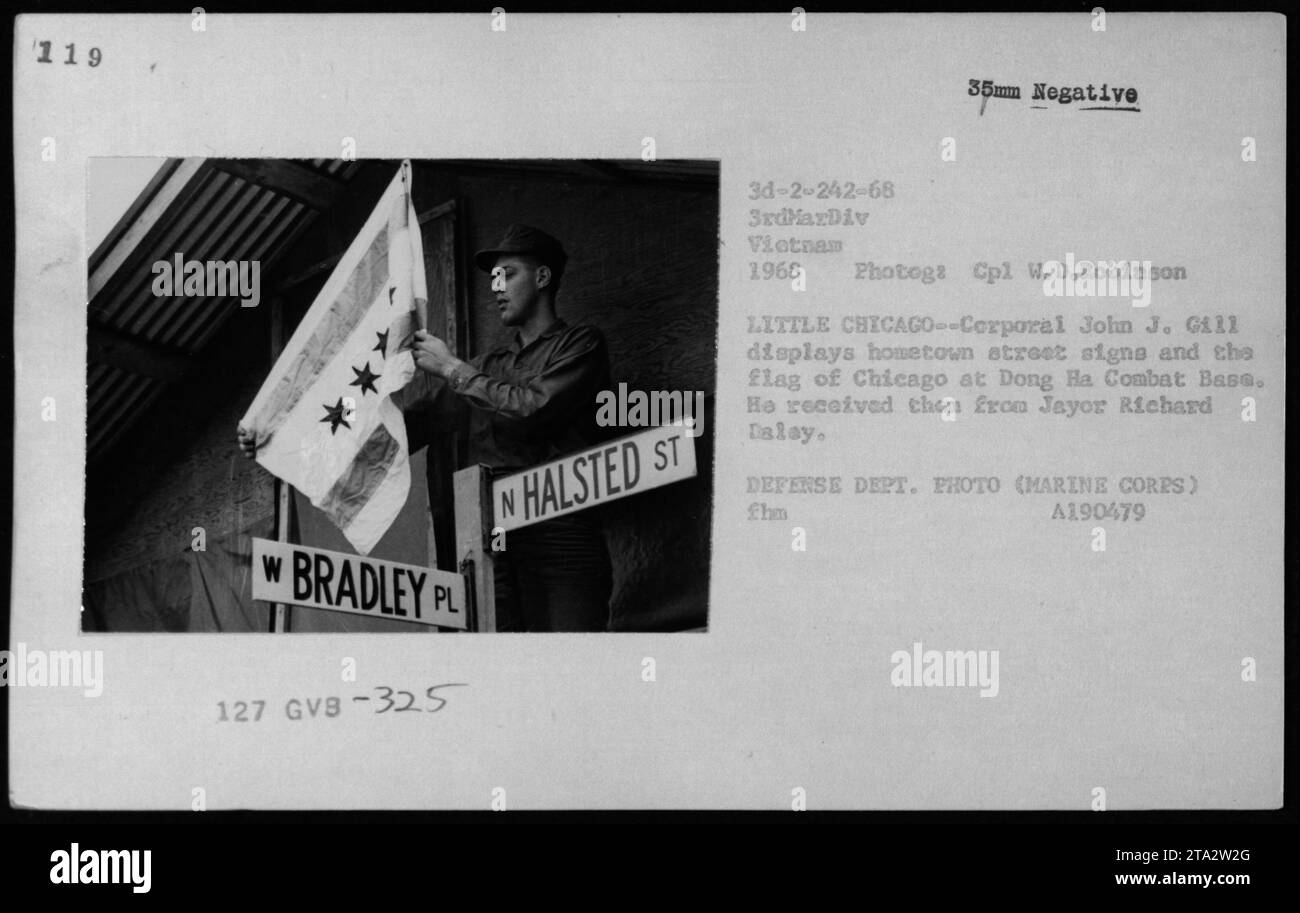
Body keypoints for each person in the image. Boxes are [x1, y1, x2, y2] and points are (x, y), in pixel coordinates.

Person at [240, 224, 614, 632]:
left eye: (508, 274)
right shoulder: (487, 367)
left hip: (560, 536)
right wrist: (286, 436)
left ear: (542, 277)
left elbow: (533, 409)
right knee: (502, 670)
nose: (496, 287)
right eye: (494, 277)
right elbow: (400, 433)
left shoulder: (581, 344)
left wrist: (452, 369)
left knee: (570, 662)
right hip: (494, 542)